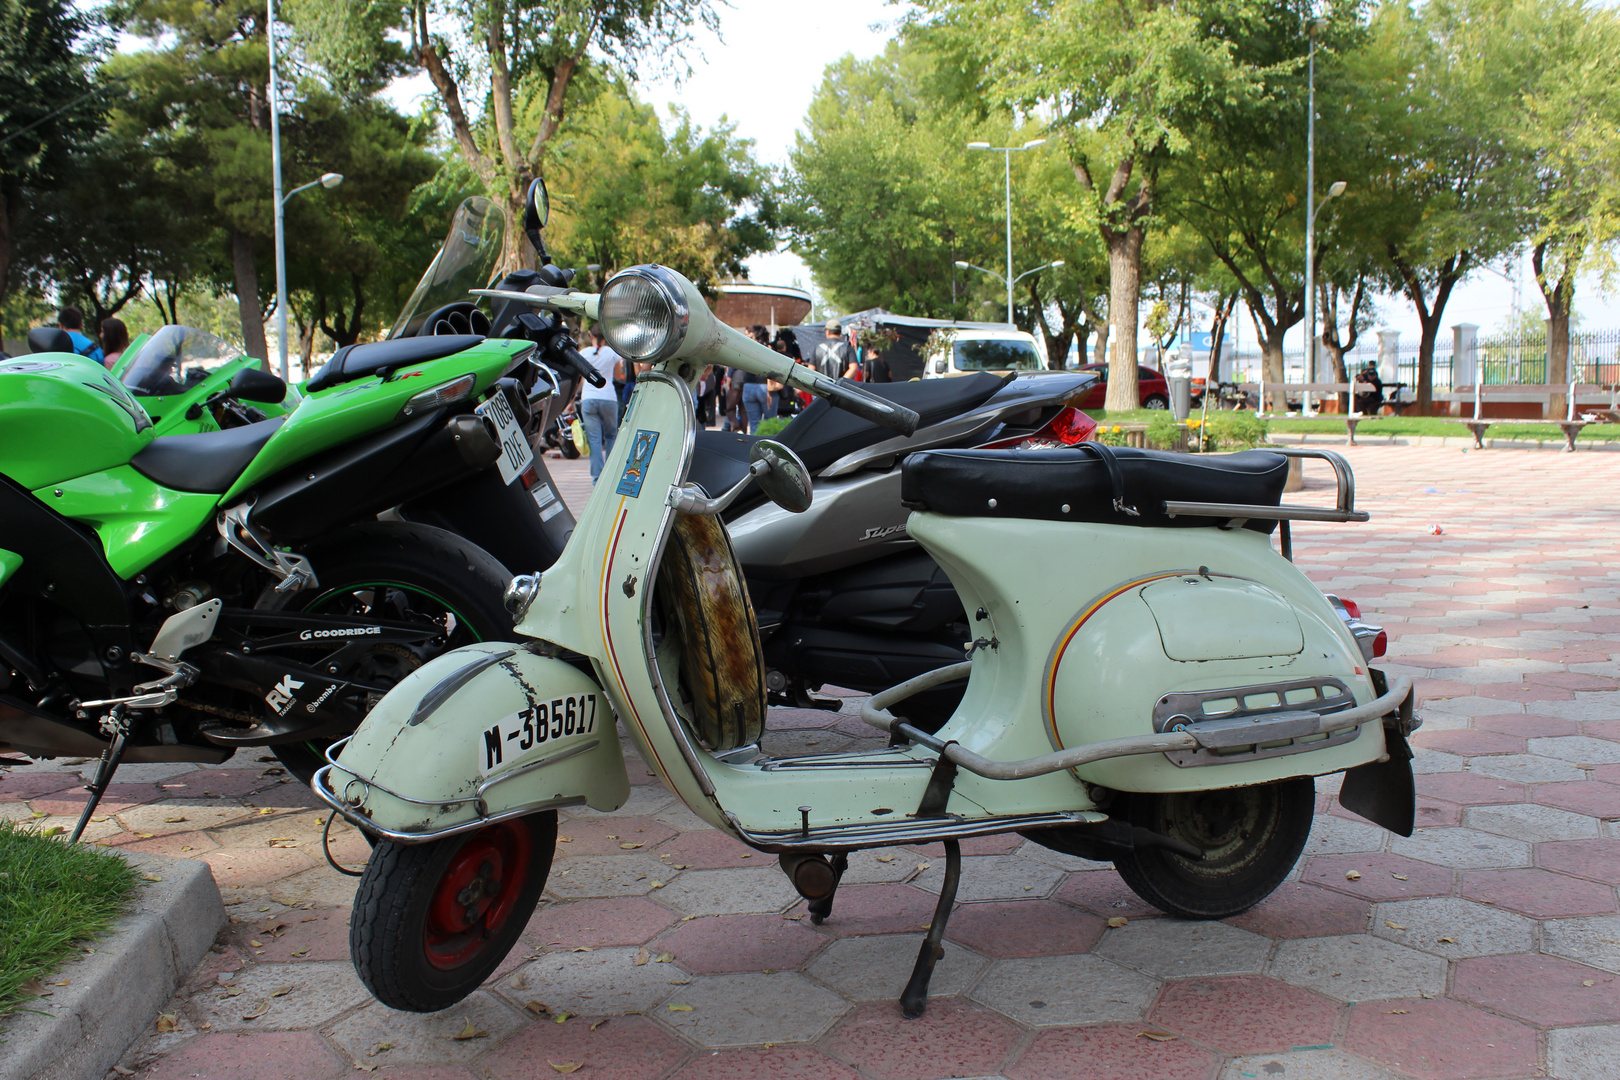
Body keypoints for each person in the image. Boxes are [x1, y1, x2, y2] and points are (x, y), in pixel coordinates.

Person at [579, 327, 624, 483]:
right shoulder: (612, 353)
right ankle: (610, 474)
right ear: (605, 337)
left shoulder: (583, 354)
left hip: (588, 398)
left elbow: (579, 381)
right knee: (611, 435)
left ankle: (597, 478)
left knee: (594, 439)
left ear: (591, 335)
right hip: (609, 398)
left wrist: (571, 401)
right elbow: (618, 376)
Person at [741, 325, 774, 432]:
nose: (747, 334)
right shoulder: (767, 347)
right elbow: (770, 369)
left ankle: (754, 446)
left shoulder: (746, 347)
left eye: (749, 332)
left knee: (754, 423)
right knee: (769, 422)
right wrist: (770, 389)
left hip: (748, 385)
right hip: (763, 385)